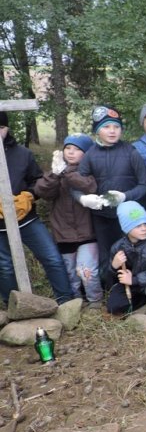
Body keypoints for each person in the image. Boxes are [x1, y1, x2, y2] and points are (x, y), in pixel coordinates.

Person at [0, 112, 74, 304]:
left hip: (26, 219)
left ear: (7, 128)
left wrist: (29, 196)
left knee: (52, 257)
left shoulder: (22, 154)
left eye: (1, 128)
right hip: (0, 226)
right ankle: (14, 305)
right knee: (5, 266)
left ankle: (66, 302)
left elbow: (37, 181)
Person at [76, 105, 146, 278]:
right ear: (97, 130)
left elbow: (144, 185)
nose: (112, 131)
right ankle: (109, 288)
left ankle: (134, 287)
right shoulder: (90, 155)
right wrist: (83, 199)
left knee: (131, 254)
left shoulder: (131, 152)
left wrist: (125, 196)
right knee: (106, 255)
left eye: (116, 126)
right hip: (101, 217)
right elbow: (76, 185)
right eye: (106, 127)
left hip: (129, 217)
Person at [34, 134, 103, 308]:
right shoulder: (56, 172)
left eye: (77, 149)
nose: (71, 152)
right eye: (68, 148)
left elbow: (90, 186)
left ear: (86, 153)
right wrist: (55, 174)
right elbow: (43, 192)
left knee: (87, 270)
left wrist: (66, 173)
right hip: (63, 233)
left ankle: (95, 302)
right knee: (71, 274)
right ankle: (75, 304)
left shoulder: (89, 170)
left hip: (88, 233)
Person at [104, 201, 146, 315]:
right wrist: (114, 266)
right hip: (131, 286)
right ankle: (144, 302)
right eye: (138, 226)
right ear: (126, 228)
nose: (144, 229)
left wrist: (135, 280)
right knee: (113, 307)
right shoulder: (118, 247)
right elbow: (111, 277)